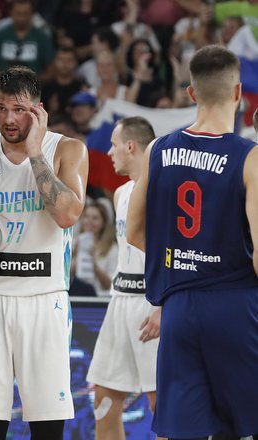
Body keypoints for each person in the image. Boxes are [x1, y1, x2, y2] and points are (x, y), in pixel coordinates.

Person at [127, 45, 258, 440]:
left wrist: (184, 260)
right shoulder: (249, 157)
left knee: (184, 431)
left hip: (179, 308)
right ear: (238, 94)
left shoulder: (157, 150)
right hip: (235, 303)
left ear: (191, 93)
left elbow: (132, 230)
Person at [0, 66, 88, 439]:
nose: (9, 119)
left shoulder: (67, 149)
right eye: (1, 109)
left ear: (38, 110)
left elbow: (66, 214)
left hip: (43, 298)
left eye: (18, 109)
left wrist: (35, 153)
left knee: (47, 426)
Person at [86, 116, 163, 440]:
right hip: (120, 300)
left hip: (151, 301)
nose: (110, 151)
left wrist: (163, 305)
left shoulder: (162, 189)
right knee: (103, 398)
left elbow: (170, 253)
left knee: (161, 404)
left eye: (115, 145)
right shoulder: (119, 194)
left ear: (131, 145)